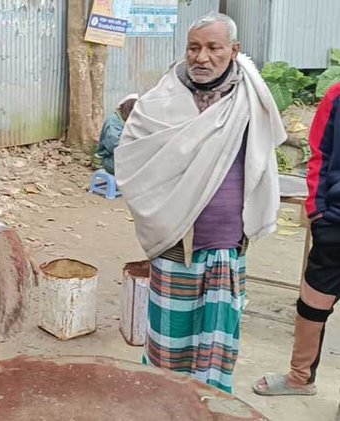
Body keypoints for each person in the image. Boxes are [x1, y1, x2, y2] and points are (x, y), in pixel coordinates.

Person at [114, 12, 286, 393]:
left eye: (213, 48)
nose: (202, 57)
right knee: (167, 353)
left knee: (216, 355)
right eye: (194, 47)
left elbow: (262, 161)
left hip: (226, 248)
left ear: (234, 50)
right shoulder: (160, 102)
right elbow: (131, 162)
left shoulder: (249, 99)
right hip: (175, 246)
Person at [253, 83, 340, 397]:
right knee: (312, 305)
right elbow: (319, 153)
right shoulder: (337, 95)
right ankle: (300, 379)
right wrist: (317, 210)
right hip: (335, 224)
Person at [94, 94, 137, 175]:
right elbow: (114, 145)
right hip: (111, 159)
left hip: (124, 156)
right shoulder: (113, 122)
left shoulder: (127, 121)